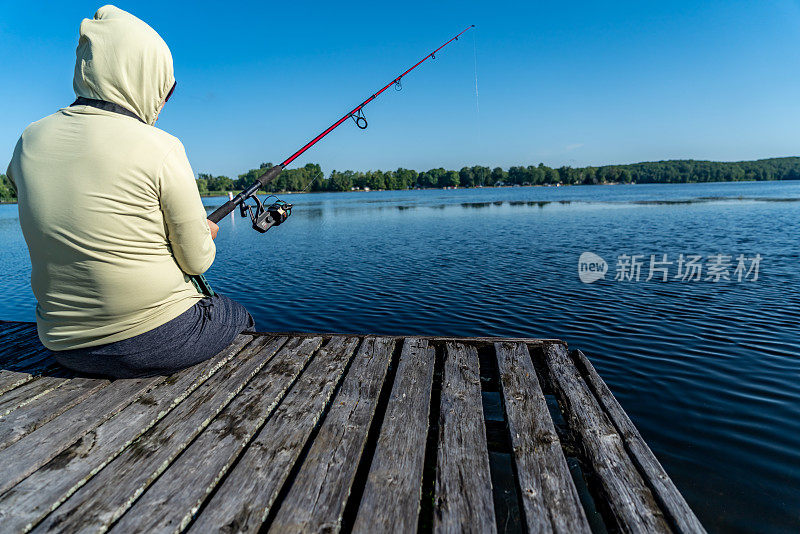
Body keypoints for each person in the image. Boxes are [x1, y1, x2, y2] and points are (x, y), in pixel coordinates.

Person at [5, 5, 254, 378]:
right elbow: (196, 261)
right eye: (164, 88)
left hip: (63, 345)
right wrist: (205, 232)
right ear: (143, 76)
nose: (164, 101)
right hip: (155, 338)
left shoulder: (29, 139)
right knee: (236, 315)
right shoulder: (161, 146)